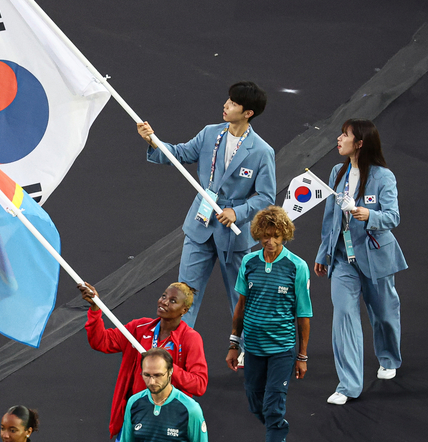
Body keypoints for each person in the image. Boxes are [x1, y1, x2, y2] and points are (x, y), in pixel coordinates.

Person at [137, 81, 275, 330]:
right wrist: (154, 141)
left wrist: (238, 212)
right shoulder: (210, 133)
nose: (225, 105)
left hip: (234, 232)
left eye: (233, 103)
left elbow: (266, 197)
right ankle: (177, 350)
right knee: (183, 294)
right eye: (228, 99)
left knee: (240, 297)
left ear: (248, 113)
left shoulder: (262, 151)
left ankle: (245, 347)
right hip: (200, 225)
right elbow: (179, 154)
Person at [314, 118, 407, 405]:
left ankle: (389, 358)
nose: (339, 140)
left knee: (384, 316)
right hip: (343, 260)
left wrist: (370, 215)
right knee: (343, 316)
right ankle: (348, 385)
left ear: (360, 143)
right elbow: (330, 217)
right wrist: (323, 253)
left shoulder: (383, 177)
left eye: (345, 135)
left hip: (375, 258)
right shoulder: (336, 172)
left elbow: (393, 216)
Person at [78, 281, 208, 439]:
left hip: (170, 418)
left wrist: (164, 367)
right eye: (164, 296)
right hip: (137, 413)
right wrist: (95, 310)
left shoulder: (190, 339)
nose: (164, 302)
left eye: (173, 301)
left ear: (184, 310)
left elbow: (199, 384)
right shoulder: (139, 328)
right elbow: (101, 341)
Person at [226, 206, 312, 442]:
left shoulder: (297, 266)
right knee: (256, 405)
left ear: (285, 235)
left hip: (281, 350)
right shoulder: (249, 262)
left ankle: (276, 434)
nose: (270, 241)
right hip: (252, 349)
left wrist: (302, 356)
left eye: (276, 236)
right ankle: (277, 429)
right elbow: (240, 305)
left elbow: (303, 314)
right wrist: (234, 343)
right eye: (266, 235)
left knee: (273, 406)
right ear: (258, 234)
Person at [121, 348, 208, 442]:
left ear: (170, 371)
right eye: (146, 375)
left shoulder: (190, 409)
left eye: (158, 375)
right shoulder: (134, 402)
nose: (152, 382)